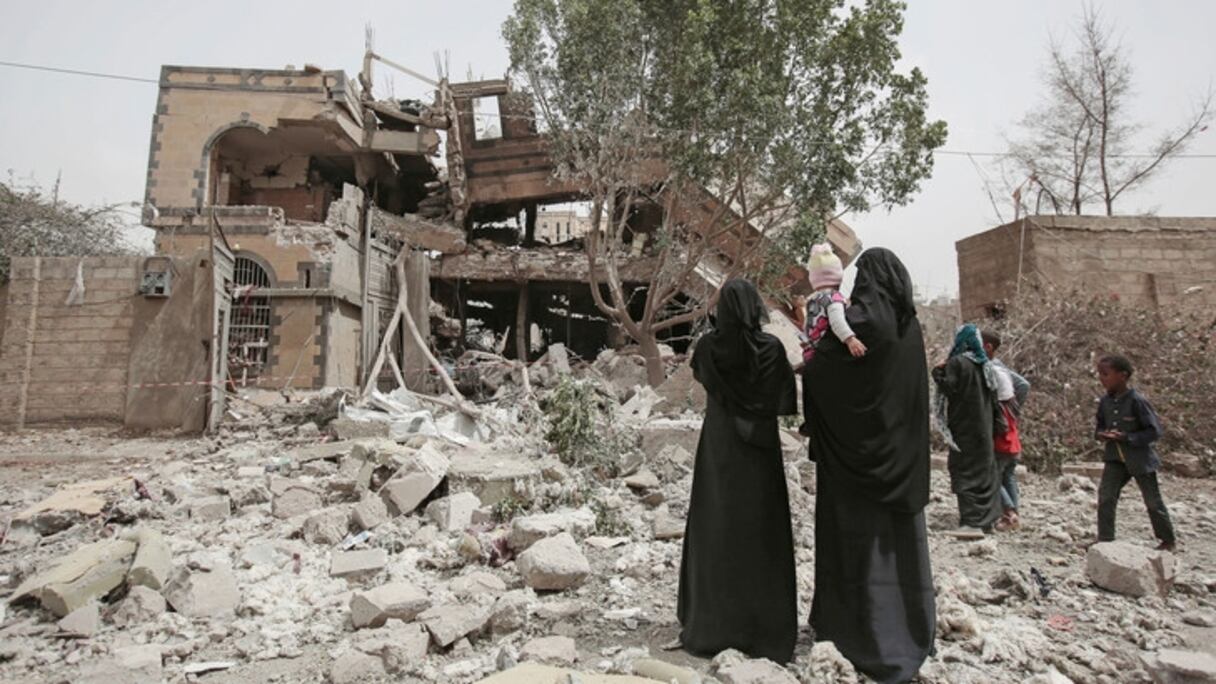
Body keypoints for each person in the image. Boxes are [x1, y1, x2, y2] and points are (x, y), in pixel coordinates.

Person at [803, 248, 935, 683]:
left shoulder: (858, 323)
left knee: (856, 545)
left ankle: (858, 631)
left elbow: (821, 371)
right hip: (901, 459)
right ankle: (910, 628)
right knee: (898, 548)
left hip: (853, 469)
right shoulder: (908, 326)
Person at [678, 278, 799, 663]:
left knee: (717, 529)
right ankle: (763, 630)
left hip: (720, 449)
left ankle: (712, 625)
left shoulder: (709, 348)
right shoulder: (772, 349)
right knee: (761, 533)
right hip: (759, 453)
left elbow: (701, 375)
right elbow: (783, 399)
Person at [1093, 354, 1177, 551]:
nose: (1101, 379)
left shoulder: (1137, 401)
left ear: (1122, 376)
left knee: (1152, 501)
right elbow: (1099, 428)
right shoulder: (1105, 401)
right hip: (1115, 457)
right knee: (1106, 497)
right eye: (1100, 374)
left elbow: (1154, 431)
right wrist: (1103, 435)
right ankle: (1105, 540)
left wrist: (1127, 438)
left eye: (1106, 374)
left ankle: (1168, 541)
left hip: (1140, 459)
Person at [932, 324, 1003, 532]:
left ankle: (971, 521)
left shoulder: (958, 363)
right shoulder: (986, 365)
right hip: (985, 427)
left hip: (964, 428)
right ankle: (988, 520)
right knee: (984, 472)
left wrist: (937, 372)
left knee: (964, 471)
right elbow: (995, 398)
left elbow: (949, 387)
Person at [981, 331, 1030, 531]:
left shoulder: (989, 369)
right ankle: (1014, 515)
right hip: (1011, 431)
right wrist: (1013, 408)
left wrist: (998, 409)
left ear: (987, 347)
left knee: (992, 474)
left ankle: (1008, 513)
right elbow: (1023, 385)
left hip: (1000, 435)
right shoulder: (1001, 367)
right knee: (1008, 475)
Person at [802, 243, 867, 364]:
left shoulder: (813, 298)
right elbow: (837, 321)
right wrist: (850, 339)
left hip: (810, 350)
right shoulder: (834, 298)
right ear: (838, 276)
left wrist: (805, 339)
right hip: (823, 352)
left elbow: (807, 322)